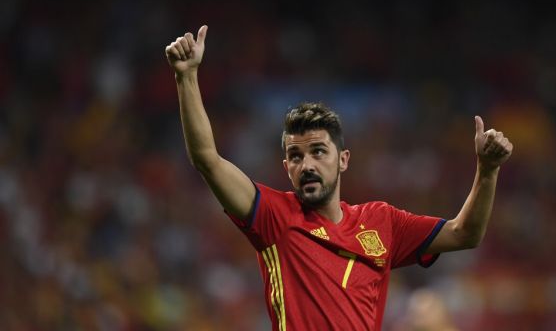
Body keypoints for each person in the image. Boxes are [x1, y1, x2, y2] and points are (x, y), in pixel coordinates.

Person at [165, 26, 513, 331]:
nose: (307, 164)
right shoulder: (274, 217)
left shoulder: (382, 222)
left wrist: (488, 169)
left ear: (343, 159)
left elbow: (465, 233)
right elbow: (207, 159)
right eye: (296, 157)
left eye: (318, 151)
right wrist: (187, 77)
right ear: (286, 168)